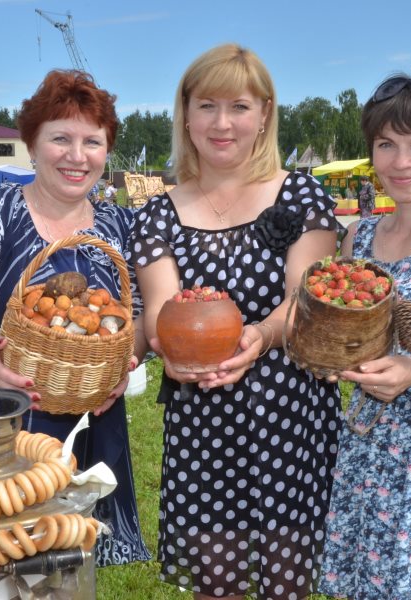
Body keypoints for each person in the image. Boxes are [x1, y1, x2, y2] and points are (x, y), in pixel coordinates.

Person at [130, 44, 343, 599]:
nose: (222, 123)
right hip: (202, 417)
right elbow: (160, 305)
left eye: (240, 107)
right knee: (215, 582)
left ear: (265, 114)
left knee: (285, 583)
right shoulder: (158, 212)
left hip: (289, 414)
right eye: (207, 106)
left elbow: (305, 299)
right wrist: (170, 350)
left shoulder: (302, 194)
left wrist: (261, 336)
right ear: (185, 113)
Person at [0, 69, 151, 567]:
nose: (77, 157)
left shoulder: (119, 223)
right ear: (31, 144)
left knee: (66, 571)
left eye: (92, 142)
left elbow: (134, 316)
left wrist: (124, 361)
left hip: (87, 420)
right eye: (61, 138)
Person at [319, 72, 411, 600]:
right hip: (370, 453)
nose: (401, 161)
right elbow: (342, 331)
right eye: (386, 144)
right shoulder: (359, 236)